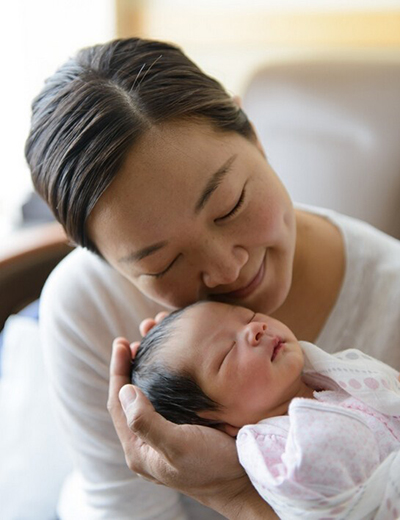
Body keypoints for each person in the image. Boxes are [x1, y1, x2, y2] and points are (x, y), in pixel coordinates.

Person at [25, 37, 400, 519]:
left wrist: (234, 497)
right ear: (105, 261)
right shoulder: (89, 303)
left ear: (254, 136)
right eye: (160, 264)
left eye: (230, 206)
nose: (227, 269)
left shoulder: (390, 300)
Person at [126, 300, 400, 519]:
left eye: (247, 315)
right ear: (221, 425)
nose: (254, 329)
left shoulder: (330, 377)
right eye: (227, 353)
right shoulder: (266, 445)